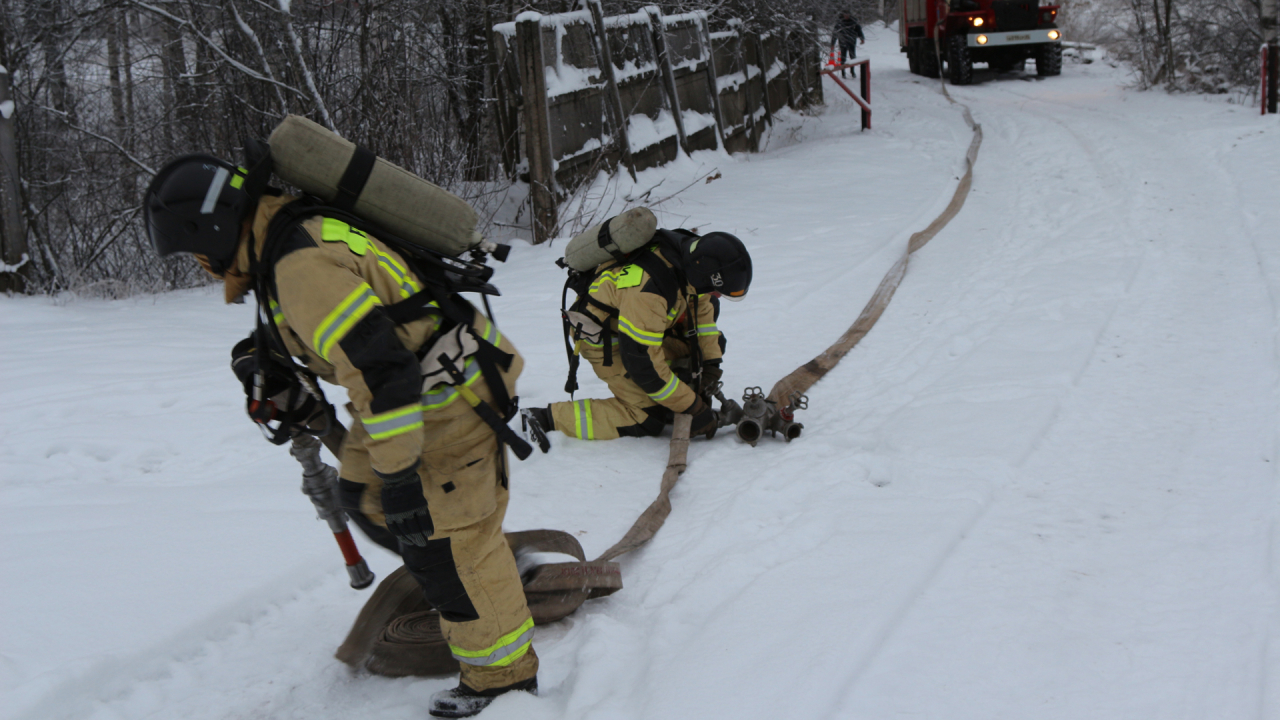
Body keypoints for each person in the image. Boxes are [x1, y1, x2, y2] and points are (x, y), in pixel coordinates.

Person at [144, 154, 537, 719]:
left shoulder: (298, 265)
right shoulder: (292, 229)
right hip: (435, 385)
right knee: (368, 499)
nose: (207, 267)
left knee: (445, 544)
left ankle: (503, 678)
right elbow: (354, 328)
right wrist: (267, 359)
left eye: (199, 255)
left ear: (214, 229)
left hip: (446, 405)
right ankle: (482, 581)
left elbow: (385, 374)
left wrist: (401, 477)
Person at [521, 229, 751, 446]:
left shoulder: (691, 264)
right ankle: (546, 418)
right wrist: (692, 406)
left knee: (699, 355)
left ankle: (673, 395)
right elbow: (643, 363)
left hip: (642, 329)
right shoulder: (650, 288)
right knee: (646, 417)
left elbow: (703, 322)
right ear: (705, 275)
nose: (717, 295)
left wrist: (710, 365)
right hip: (605, 340)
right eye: (716, 290)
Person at [831, 12, 866, 78]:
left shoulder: (853, 22)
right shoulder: (839, 23)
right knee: (843, 57)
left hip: (852, 42)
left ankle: (852, 71)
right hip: (842, 42)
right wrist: (833, 43)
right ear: (843, 15)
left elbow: (859, 31)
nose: (846, 16)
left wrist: (862, 39)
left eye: (847, 14)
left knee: (852, 57)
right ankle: (843, 72)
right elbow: (835, 34)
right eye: (845, 15)